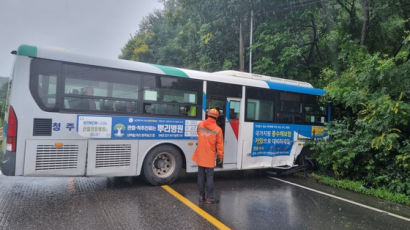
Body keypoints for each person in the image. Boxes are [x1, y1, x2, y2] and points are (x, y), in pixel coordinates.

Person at [192, 108, 224, 204]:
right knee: (209, 177)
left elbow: (198, 133)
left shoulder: (200, 125)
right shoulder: (218, 129)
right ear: (217, 117)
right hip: (209, 156)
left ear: (208, 115)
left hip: (200, 154)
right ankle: (210, 198)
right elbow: (219, 145)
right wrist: (220, 156)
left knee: (201, 176)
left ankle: (201, 196)